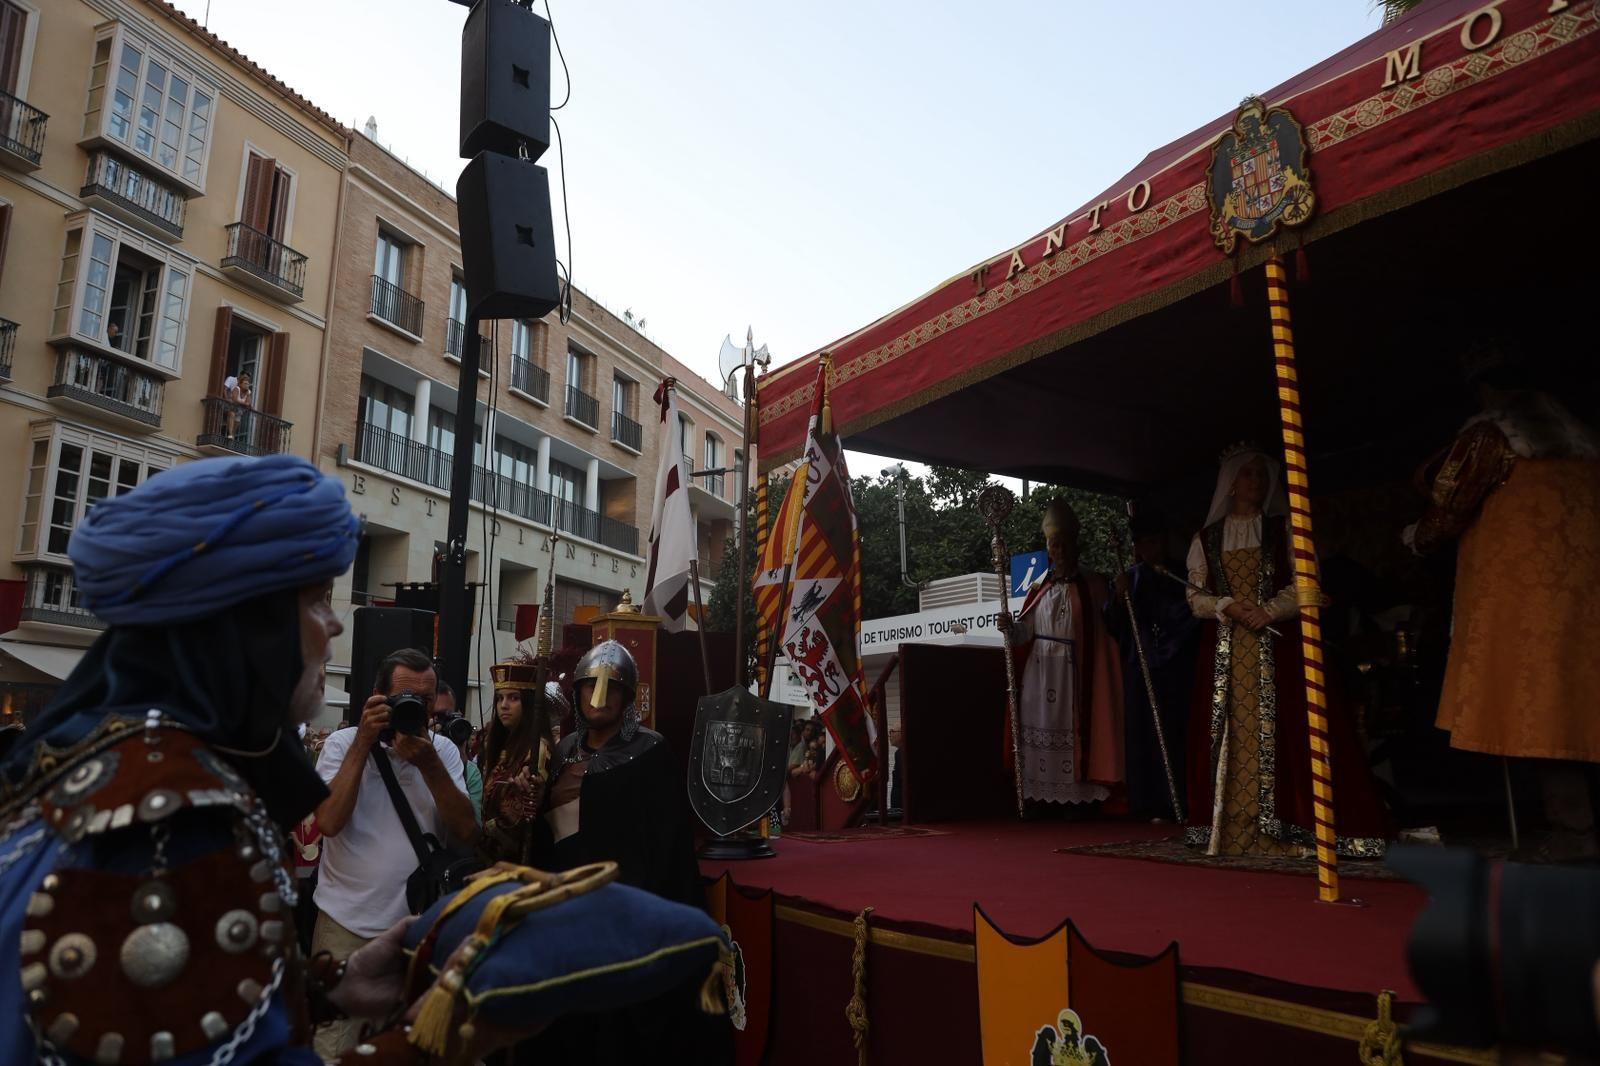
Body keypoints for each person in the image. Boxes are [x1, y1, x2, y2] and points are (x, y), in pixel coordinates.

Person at [0, 455, 449, 1063]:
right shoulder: (175, 822)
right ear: (249, 625)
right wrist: (439, 1037)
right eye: (317, 600)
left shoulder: (119, 756)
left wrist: (319, 989)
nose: (335, 626)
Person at [1408, 343, 1600, 855]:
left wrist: (1416, 539)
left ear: (1486, 389)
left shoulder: (1490, 438)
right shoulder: (1584, 443)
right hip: (1584, 602)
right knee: (1576, 708)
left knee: (1534, 714)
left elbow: (1449, 504)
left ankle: (1572, 830)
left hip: (1520, 602)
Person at [526, 640, 728, 1066]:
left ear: (628, 696)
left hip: (624, 907)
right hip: (564, 904)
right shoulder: (564, 752)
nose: (600, 697)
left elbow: (665, 841)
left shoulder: (650, 751)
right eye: (590, 687)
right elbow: (548, 834)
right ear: (578, 693)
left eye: (612, 688)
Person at [1182, 445, 1391, 857]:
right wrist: (1225, 605)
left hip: (1280, 648)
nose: (1255, 483)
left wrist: (1269, 611)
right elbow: (1194, 594)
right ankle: (1233, 826)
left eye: (1261, 476)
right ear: (1230, 483)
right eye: (1247, 475)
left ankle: (1289, 826)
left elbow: (1307, 584)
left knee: (1289, 728)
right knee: (1234, 730)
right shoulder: (1207, 538)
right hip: (1226, 650)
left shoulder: (1285, 530)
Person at [311, 648, 476, 1059]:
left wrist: (430, 765)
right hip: (345, 924)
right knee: (334, 1049)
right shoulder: (342, 743)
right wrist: (365, 741)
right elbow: (328, 822)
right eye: (404, 697)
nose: (413, 708)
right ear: (376, 697)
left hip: (419, 930)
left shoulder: (443, 751)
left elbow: (466, 833)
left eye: (423, 700)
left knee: (414, 1047)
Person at [998, 498, 1126, 814]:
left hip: (1077, 673)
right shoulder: (1040, 586)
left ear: (1075, 545)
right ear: (1048, 548)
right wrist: (1008, 628)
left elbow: (1109, 628)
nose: (1060, 551)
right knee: (1042, 731)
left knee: (1077, 732)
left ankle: (1080, 801)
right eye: (1054, 545)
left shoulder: (1095, 584)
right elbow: (1023, 633)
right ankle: (1042, 801)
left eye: (1065, 544)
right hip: (1040, 674)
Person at [1103, 510, 1198, 822]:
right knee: (1142, 734)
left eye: (1155, 540)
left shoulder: (1177, 572)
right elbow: (1113, 624)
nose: (1150, 547)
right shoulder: (1130, 577)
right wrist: (1118, 598)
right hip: (1139, 665)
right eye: (1144, 542)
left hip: (1171, 665)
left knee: (1172, 733)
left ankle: (1177, 800)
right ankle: (1146, 802)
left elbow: (1188, 614)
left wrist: (1166, 645)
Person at [478, 655, 561, 864]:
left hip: (518, 861)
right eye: (500, 698)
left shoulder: (537, 748)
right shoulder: (498, 746)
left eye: (513, 698)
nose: (504, 705)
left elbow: (518, 817)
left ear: (528, 703)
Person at [431, 679, 482, 821]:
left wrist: (459, 760)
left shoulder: (469, 771)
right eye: (438, 718)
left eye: (448, 716)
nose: (445, 723)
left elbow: (472, 830)